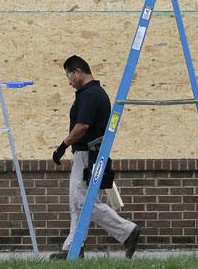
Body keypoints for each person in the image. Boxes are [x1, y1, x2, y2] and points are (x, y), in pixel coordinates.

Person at [50, 55, 141, 259]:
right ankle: (73, 249)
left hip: (87, 155)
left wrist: (62, 146)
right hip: (88, 155)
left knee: (85, 203)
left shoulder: (90, 95)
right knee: (77, 203)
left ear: (78, 72)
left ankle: (127, 231)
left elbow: (82, 126)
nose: (69, 81)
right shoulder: (90, 93)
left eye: (69, 76)